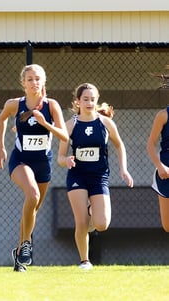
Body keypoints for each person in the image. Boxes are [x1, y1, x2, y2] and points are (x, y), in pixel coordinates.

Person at [0, 64, 69, 272]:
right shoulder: (14, 104)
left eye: (37, 78)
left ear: (43, 81)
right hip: (20, 160)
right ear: (23, 83)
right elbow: (1, 119)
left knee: (33, 206)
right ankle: (26, 244)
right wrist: (1, 148)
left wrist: (45, 123)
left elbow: (65, 136)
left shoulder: (51, 105)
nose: (34, 82)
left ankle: (20, 253)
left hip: (43, 163)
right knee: (32, 194)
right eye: (30, 79)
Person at [57, 83, 134, 270]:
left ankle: (92, 211)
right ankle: (84, 260)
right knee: (81, 221)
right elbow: (60, 156)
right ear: (77, 101)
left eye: (92, 99)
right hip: (77, 176)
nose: (89, 102)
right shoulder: (70, 125)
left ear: (96, 100)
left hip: (99, 177)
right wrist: (66, 160)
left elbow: (119, 145)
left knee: (102, 223)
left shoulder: (105, 123)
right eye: (85, 99)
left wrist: (123, 169)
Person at [147, 106, 169, 232]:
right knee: (167, 226)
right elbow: (150, 145)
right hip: (165, 171)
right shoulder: (163, 115)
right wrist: (160, 166)